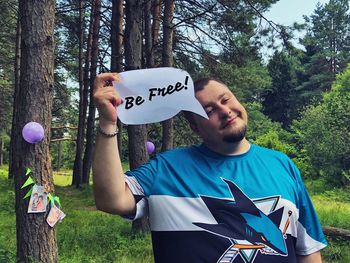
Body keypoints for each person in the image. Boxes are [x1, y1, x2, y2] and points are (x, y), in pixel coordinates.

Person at [92, 73, 327, 263]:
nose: (225, 111)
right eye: (209, 111)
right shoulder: (167, 168)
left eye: (225, 100)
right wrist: (108, 122)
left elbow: (308, 251)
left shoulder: (282, 165)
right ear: (195, 128)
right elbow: (111, 200)